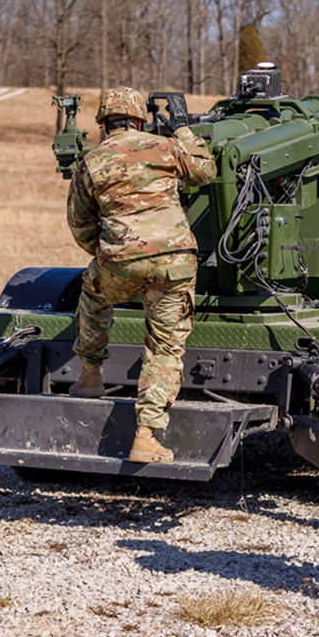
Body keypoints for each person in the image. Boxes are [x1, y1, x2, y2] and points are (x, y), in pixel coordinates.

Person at [66, 87, 217, 464]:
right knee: (165, 347)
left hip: (121, 258)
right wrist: (181, 129)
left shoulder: (92, 161)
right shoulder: (164, 147)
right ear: (140, 119)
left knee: (93, 293)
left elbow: (79, 223)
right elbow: (205, 170)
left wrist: (109, 255)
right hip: (175, 261)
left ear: (104, 123)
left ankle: (90, 373)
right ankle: (147, 435)